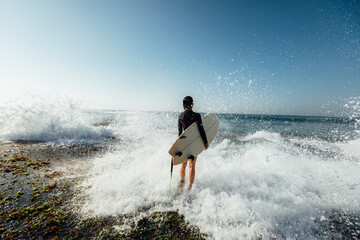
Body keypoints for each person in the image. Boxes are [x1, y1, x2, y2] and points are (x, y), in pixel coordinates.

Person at [178, 96, 209, 190]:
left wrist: (178, 148)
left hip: (184, 143)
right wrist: (205, 142)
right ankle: (190, 186)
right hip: (193, 144)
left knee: (183, 164)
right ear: (192, 104)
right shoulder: (196, 116)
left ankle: (182, 183)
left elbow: (179, 134)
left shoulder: (180, 116)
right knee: (192, 164)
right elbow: (201, 130)